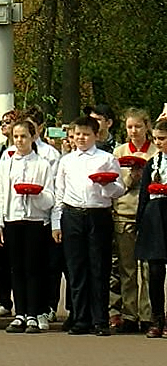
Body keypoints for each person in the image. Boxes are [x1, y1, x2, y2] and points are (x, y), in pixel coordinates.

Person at [55, 114, 125, 336]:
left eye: (86, 134)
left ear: (96, 135)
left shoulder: (106, 158)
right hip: (73, 214)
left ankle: (100, 319)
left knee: (99, 267)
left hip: (98, 214)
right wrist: (57, 222)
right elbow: (60, 192)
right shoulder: (66, 160)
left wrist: (106, 184)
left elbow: (119, 189)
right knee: (76, 268)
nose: (81, 139)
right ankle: (79, 317)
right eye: (77, 135)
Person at [0, 118, 58, 333]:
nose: (19, 141)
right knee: (16, 268)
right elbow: (0, 194)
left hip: (36, 221)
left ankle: (34, 312)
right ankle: (20, 313)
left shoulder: (42, 164)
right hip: (13, 220)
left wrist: (36, 193)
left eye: (24, 137)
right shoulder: (7, 163)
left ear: (32, 138)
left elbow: (50, 198)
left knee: (34, 268)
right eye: (16, 137)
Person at [112, 108, 155, 333]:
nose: (134, 131)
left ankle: (148, 314)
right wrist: (131, 176)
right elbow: (115, 187)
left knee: (147, 267)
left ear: (146, 126)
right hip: (124, 213)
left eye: (138, 126)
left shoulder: (157, 150)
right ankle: (129, 313)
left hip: (149, 215)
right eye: (130, 127)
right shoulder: (119, 153)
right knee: (127, 268)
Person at [135, 119, 167, 337]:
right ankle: (157, 318)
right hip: (154, 217)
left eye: (163, 139)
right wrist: (140, 223)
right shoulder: (151, 163)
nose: (158, 142)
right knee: (155, 271)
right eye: (156, 138)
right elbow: (143, 196)